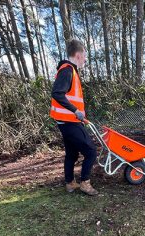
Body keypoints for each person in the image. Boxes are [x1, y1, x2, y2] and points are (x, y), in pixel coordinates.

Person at [50, 39, 98, 195]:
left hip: (67, 121)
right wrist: (75, 110)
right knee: (90, 151)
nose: (85, 59)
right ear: (78, 55)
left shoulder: (70, 71)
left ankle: (70, 183)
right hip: (69, 121)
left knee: (72, 153)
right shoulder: (67, 71)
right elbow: (57, 93)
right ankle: (85, 183)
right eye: (84, 55)